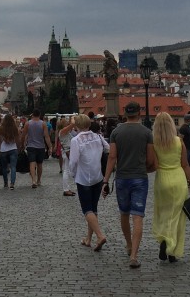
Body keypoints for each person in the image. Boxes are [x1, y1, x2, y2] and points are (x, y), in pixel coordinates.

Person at [103, 101, 155, 269]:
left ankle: (128, 244)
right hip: (139, 177)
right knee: (138, 216)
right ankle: (134, 256)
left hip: (122, 178)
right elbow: (150, 159)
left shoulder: (116, 132)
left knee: (124, 213)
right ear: (139, 113)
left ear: (125, 113)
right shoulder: (147, 133)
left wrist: (105, 180)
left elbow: (112, 157)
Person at [151, 112, 190, 263]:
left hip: (162, 180)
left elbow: (155, 166)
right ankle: (172, 250)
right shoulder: (178, 142)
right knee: (177, 216)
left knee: (163, 213)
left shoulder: (154, 143)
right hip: (178, 179)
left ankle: (164, 240)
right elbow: (185, 165)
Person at [68, 114, 107, 251]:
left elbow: (73, 161)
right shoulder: (98, 137)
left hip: (84, 178)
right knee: (93, 209)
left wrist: (72, 174)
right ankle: (88, 239)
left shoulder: (76, 140)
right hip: (98, 177)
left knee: (87, 209)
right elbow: (108, 149)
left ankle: (100, 235)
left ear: (77, 126)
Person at [20, 109, 52, 188]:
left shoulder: (28, 123)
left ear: (33, 115)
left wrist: (22, 144)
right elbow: (46, 136)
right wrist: (50, 147)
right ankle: (39, 180)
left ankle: (33, 180)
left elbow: (23, 135)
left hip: (31, 146)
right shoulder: (43, 124)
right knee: (39, 164)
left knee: (32, 163)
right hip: (41, 146)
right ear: (40, 115)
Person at [0, 114, 20, 190]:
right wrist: (19, 148)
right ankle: (12, 183)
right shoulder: (14, 128)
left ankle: (5, 183)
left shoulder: (1, 128)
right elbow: (17, 139)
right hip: (13, 149)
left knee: (4, 167)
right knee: (13, 167)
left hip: (4, 149)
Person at [57, 116, 77, 196]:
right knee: (66, 171)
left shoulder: (64, 131)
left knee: (67, 170)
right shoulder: (63, 131)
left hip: (67, 151)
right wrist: (72, 117)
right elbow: (73, 124)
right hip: (67, 151)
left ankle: (67, 188)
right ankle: (66, 189)